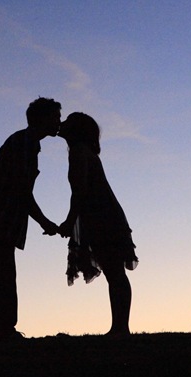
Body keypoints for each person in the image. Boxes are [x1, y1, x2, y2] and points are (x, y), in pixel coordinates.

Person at [0, 97, 61, 343]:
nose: (58, 122)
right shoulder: (25, 144)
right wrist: (44, 222)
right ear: (42, 118)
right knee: (2, 274)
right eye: (55, 117)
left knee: (1, 273)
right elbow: (22, 190)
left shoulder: (25, 142)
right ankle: (5, 331)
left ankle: (5, 329)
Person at [57, 112, 139, 338]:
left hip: (103, 217)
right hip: (103, 215)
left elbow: (80, 192)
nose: (62, 124)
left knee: (115, 272)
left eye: (68, 122)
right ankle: (120, 327)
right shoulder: (85, 152)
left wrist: (69, 221)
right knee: (115, 272)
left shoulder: (79, 152)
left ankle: (120, 328)